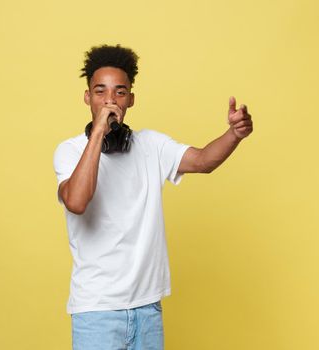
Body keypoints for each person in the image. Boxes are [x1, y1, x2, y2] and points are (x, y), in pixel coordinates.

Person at [53, 44, 253, 350]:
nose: (110, 100)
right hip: (97, 312)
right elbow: (77, 202)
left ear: (131, 98)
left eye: (120, 92)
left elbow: (202, 161)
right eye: (100, 91)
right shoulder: (69, 151)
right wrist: (97, 133)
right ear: (87, 97)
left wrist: (233, 135)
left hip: (147, 310)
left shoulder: (151, 146)